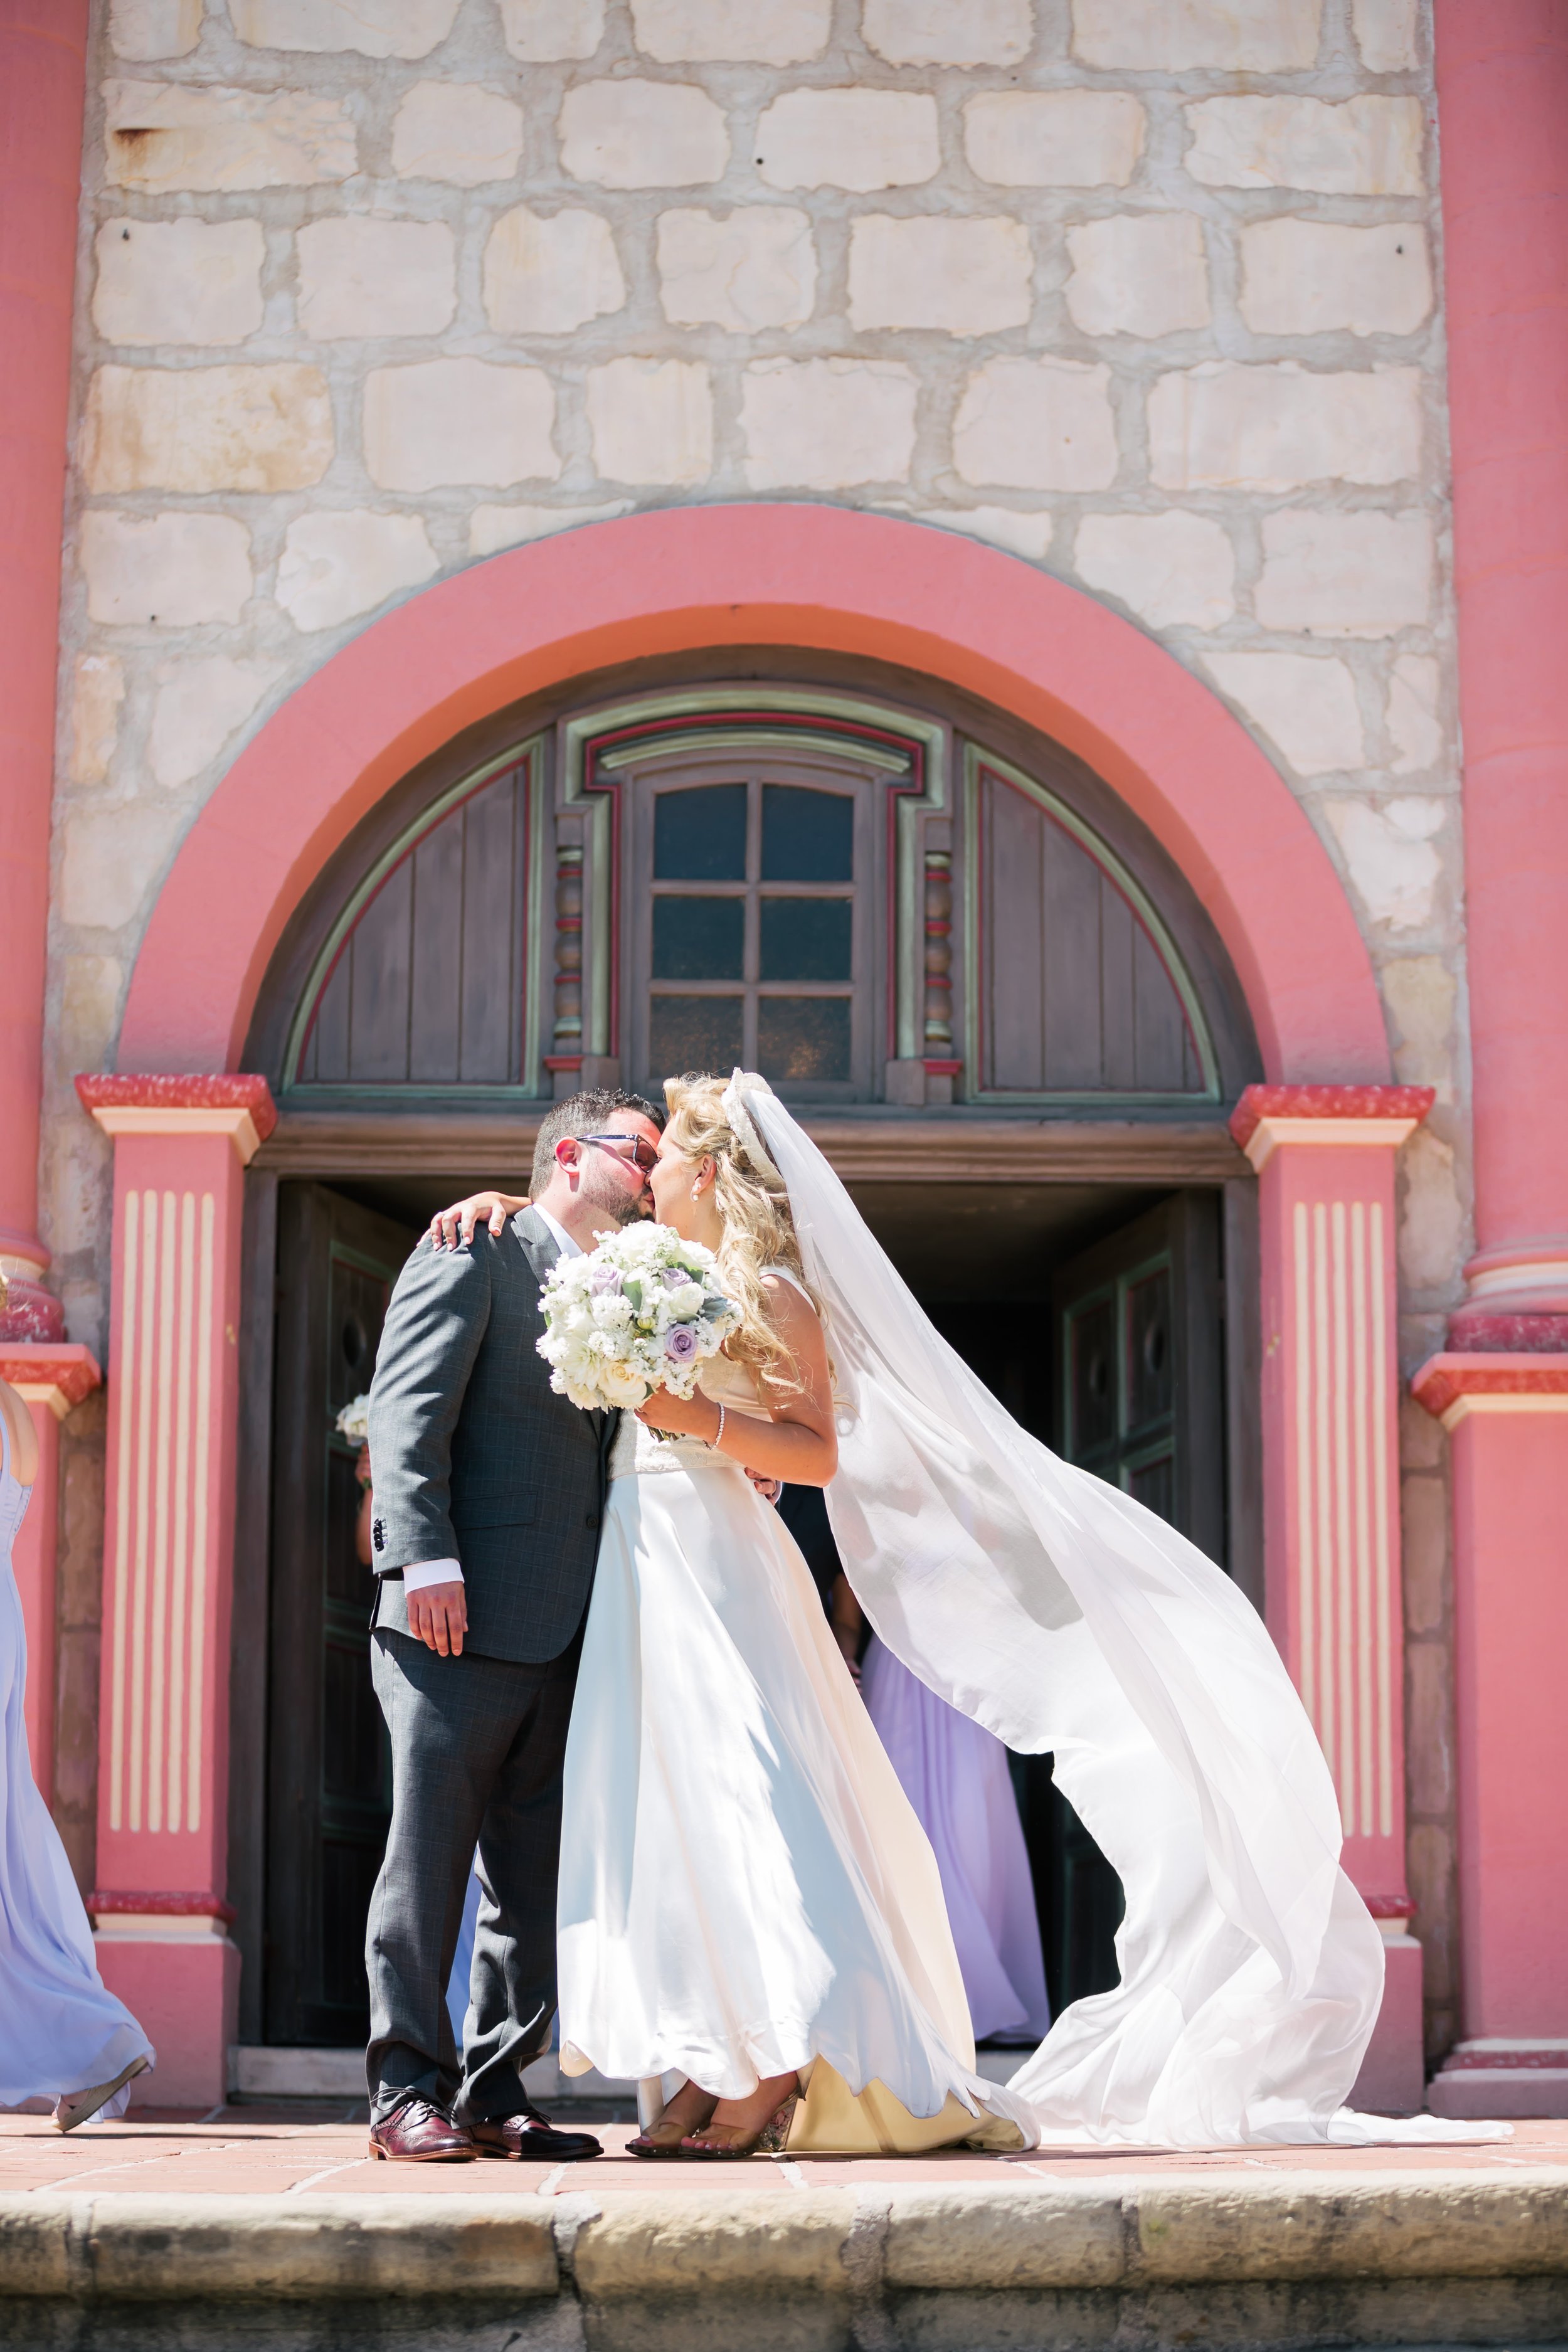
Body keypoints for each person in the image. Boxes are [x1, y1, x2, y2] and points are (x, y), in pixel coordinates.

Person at [434, 1073, 1505, 2154]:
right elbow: (559, 1244)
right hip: (639, 1561)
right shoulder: (645, 1268)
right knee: (670, 1808)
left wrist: (694, 1416)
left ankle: (779, 2061)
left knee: (747, 1793)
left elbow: (815, 1450)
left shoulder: (774, 1290)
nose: (650, 1165)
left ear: (708, 1171)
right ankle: (717, 2059)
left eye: (664, 1155)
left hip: (715, 1561)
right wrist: (509, 1204)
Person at [361, 1088, 662, 2162]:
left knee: (531, 1880)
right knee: (429, 1859)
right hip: (454, 1615)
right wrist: (424, 1559)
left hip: (574, 1628)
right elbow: (407, 1416)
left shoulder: (631, 1284)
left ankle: (496, 2088)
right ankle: (405, 2090)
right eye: (643, 1151)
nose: (658, 1170)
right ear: (573, 1155)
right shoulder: (469, 1247)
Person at [0, 1274, 154, 2129]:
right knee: (9, 1855)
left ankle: (92, 2036)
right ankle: (91, 2041)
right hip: (6, 1626)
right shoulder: (15, 1408)